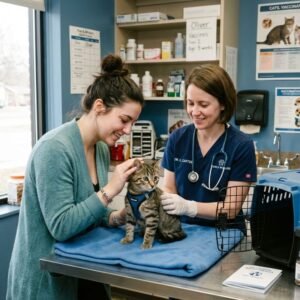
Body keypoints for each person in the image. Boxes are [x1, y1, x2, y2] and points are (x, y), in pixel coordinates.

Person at [6, 54, 144, 300]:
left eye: (132, 122)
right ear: (99, 107)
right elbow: (62, 226)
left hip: (84, 271)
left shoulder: (100, 149)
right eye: (124, 120)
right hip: (47, 280)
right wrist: (110, 189)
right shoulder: (54, 149)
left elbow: (90, 213)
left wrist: (116, 217)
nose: (127, 130)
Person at [161, 64, 257, 227]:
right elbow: (169, 189)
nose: (195, 112)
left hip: (224, 233)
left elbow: (231, 209)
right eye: (190, 103)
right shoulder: (177, 138)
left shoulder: (241, 146)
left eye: (203, 105)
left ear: (223, 104)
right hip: (183, 228)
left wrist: (189, 207)